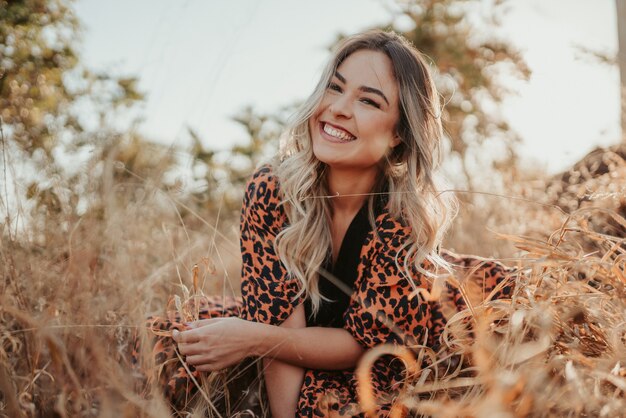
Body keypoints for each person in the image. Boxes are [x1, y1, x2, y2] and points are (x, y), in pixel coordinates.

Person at [138, 29, 514, 417]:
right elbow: (275, 317)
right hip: (299, 336)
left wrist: (251, 338)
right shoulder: (273, 188)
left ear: (399, 133)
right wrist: (254, 340)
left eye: (368, 100)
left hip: (406, 340)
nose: (337, 108)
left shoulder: (404, 216)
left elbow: (365, 347)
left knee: (325, 407)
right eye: (335, 88)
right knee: (166, 343)